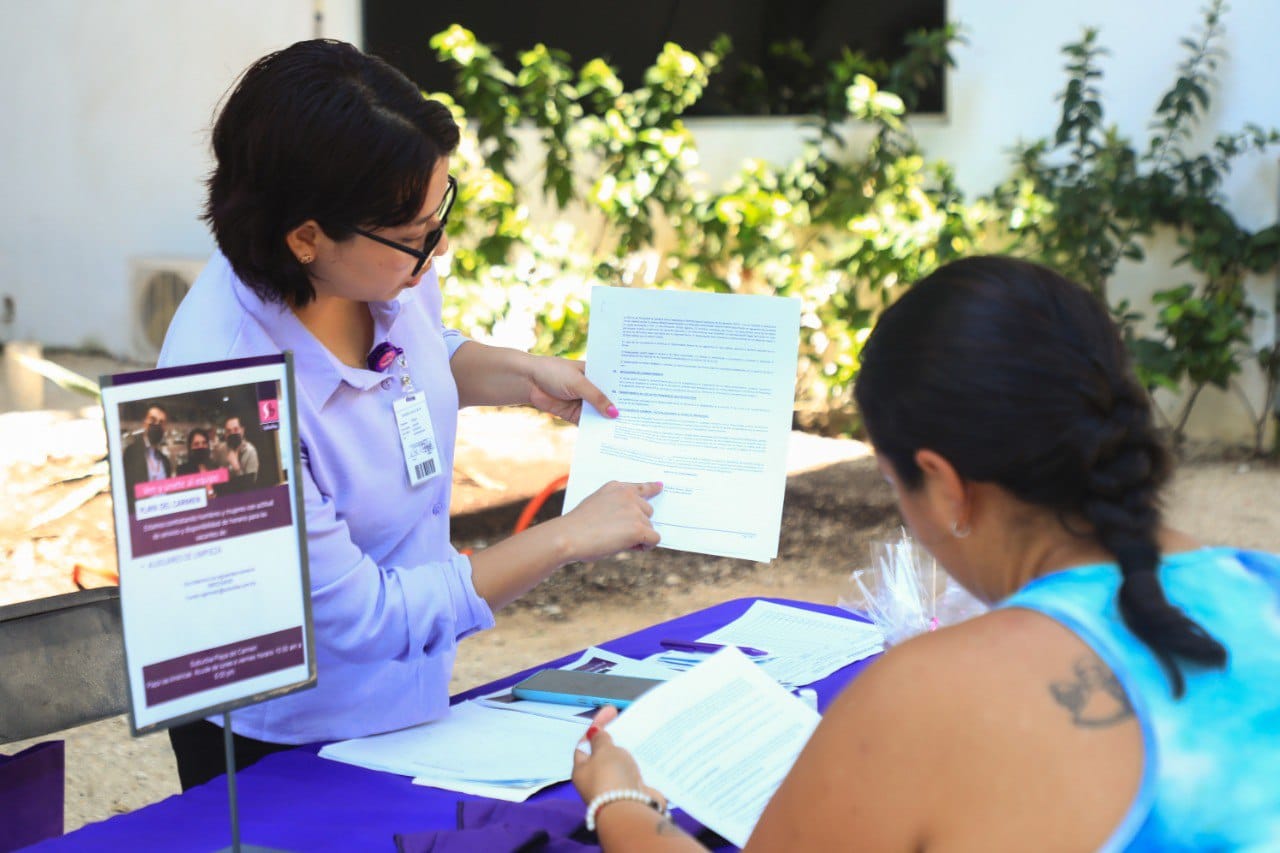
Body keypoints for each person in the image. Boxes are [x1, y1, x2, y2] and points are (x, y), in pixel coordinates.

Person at [571, 257, 1280, 850]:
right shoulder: (1265, 587)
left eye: (891, 480)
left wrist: (622, 800)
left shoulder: (934, 696)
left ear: (943, 484)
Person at [158, 39, 662, 790]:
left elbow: (421, 353)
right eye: (416, 234)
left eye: (440, 210)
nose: (438, 244)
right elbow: (360, 620)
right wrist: (566, 536)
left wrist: (523, 374)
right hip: (287, 742)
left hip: (407, 700)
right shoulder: (218, 396)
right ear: (306, 238)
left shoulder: (378, 265)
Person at [120, 404, 174, 510]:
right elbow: (128, 494)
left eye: (161, 423)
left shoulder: (165, 461)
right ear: (144, 423)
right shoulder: (131, 453)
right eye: (153, 420)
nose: (157, 425)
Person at [217, 414, 259, 492]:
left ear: (242, 430)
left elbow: (250, 484)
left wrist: (237, 468)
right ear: (225, 434)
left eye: (236, 429)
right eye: (228, 431)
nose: (232, 433)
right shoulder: (221, 450)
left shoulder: (250, 452)